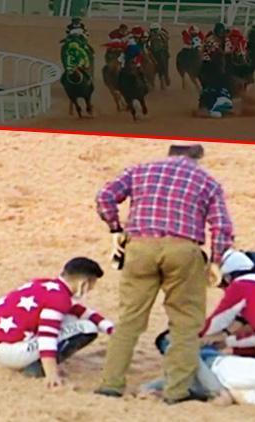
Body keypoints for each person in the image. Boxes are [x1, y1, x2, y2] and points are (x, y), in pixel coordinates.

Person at [94, 144, 234, 404]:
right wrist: (215, 260)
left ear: (170, 153)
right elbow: (222, 226)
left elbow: (105, 196)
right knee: (185, 323)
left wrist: (115, 228)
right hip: (184, 250)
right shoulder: (208, 181)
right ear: (198, 158)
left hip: (140, 247)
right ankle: (175, 391)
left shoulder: (140, 170)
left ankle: (111, 384)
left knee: (129, 319)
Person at [0, 257, 112, 388]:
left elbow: (78, 310)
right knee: (87, 328)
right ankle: (40, 367)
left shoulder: (48, 285)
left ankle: (39, 362)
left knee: (72, 319)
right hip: (11, 353)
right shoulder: (59, 299)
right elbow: (48, 337)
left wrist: (110, 328)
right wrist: (51, 374)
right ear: (84, 283)